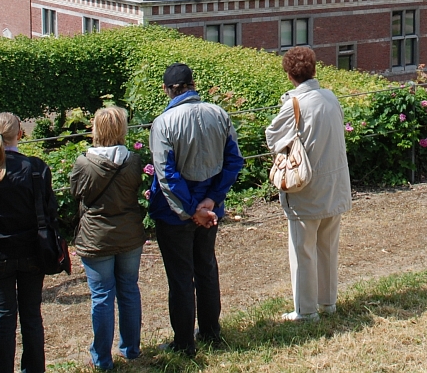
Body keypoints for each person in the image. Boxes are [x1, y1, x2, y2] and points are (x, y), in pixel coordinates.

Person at [149, 63, 244, 357]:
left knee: (180, 277)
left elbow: (167, 175)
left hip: (175, 214)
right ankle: (212, 333)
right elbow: (234, 161)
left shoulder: (163, 123)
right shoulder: (219, 114)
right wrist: (212, 201)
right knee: (206, 269)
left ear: (167, 90)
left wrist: (191, 210)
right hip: (210, 210)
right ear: (192, 84)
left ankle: (184, 343)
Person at [265, 47, 352, 322]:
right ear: (314, 69)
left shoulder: (295, 103)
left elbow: (273, 138)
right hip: (335, 183)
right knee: (328, 247)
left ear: (289, 74)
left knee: (303, 251)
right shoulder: (330, 97)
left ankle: (305, 311)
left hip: (307, 187)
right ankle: (327, 303)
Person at [0, 113, 56, 373]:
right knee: (31, 316)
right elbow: (50, 210)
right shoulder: (36, 168)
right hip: (32, 250)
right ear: (20, 134)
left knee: (3, 319)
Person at [69, 106, 146, 370]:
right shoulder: (133, 161)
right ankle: (131, 348)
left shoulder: (83, 163)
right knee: (129, 289)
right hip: (128, 232)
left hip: (96, 236)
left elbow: (76, 194)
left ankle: (102, 357)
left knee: (101, 295)